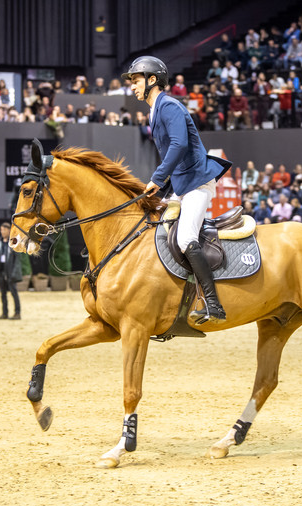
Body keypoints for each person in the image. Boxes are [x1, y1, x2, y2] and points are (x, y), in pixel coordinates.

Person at [123, 56, 231, 325]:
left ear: (151, 80)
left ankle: (213, 303)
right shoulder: (155, 109)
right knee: (158, 228)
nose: (133, 87)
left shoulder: (169, 105)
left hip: (197, 182)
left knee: (185, 239)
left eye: (136, 81)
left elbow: (180, 146)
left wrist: (158, 179)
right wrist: (162, 190)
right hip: (183, 184)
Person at [0, 222, 21, 320]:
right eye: (1, 230)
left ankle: (17, 313)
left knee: (14, 292)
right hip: (1, 271)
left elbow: (17, 259)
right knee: (3, 293)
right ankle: (5, 313)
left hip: (10, 272)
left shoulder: (13, 241)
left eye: (4, 230)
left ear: (9, 230)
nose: (2, 232)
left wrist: (14, 273)